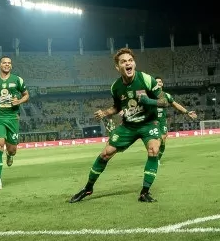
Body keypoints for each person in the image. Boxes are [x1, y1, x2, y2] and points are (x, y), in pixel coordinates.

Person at [68, 48, 168, 204]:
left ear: (134, 63)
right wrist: (106, 112)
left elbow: (164, 101)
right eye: (123, 61)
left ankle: (144, 192)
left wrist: (149, 101)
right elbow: (118, 106)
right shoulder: (115, 87)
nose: (128, 63)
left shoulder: (147, 79)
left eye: (130, 60)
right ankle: (88, 188)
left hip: (149, 123)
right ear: (118, 67)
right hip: (128, 126)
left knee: (154, 150)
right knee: (105, 154)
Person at [0, 56, 30, 190]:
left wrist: (19, 101)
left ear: (11, 66)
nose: (7, 65)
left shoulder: (17, 80)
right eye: (4, 63)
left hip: (13, 118)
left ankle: (9, 155)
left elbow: (26, 95)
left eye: (9, 63)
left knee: (12, 150)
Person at [153, 76, 198, 160]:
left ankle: (158, 158)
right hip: (152, 121)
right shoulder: (150, 95)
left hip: (162, 121)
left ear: (162, 84)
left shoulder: (166, 95)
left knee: (163, 139)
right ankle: (154, 158)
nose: (158, 83)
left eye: (160, 81)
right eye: (156, 82)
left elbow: (176, 105)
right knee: (157, 140)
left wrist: (187, 112)